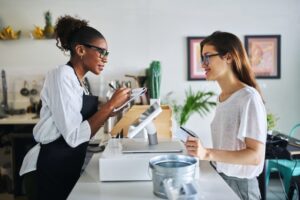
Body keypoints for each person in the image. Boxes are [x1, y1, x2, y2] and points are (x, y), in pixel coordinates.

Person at [19, 15, 131, 200]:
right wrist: (110, 105)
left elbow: (83, 125)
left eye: (107, 54)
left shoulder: (82, 81)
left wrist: (112, 110)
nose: (105, 59)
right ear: (80, 49)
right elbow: (73, 136)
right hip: (47, 167)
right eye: (101, 52)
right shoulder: (62, 75)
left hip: (64, 164)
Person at [185, 31, 267, 200]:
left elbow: (255, 156)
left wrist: (207, 153)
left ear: (228, 57)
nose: (203, 64)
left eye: (207, 57)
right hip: (222, 179)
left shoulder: (248, 98)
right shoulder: (223, 98)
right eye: (202, 58)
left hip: (241, 187)